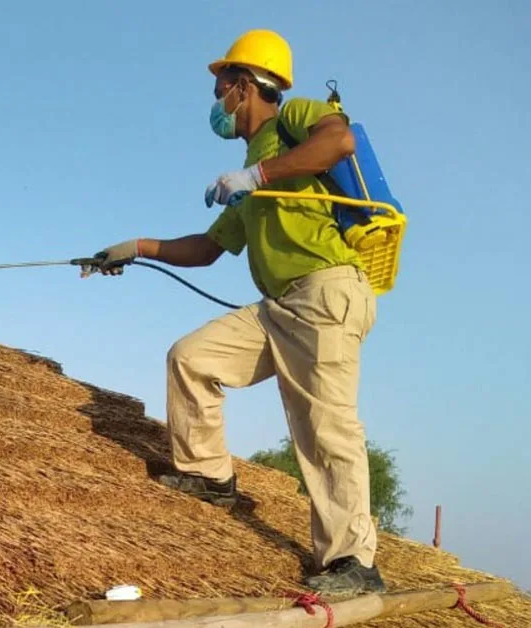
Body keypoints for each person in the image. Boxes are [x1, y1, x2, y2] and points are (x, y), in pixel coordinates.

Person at [92, 29, 386, 596]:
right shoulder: (248, 168)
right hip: (279, 308)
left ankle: (354, 564)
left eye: (221, 85)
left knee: (327, 429)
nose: (216, 98)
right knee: (192, 358)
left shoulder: (295, 119)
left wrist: (258, 176)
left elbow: (340, 143)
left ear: (245, 85)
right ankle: (210, 475)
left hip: (324, 293)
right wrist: (136, 248)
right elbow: (205, 249)